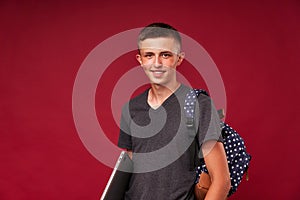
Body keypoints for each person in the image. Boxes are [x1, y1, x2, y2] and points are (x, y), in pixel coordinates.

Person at [118, 22, 231, 200]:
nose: (157, 63)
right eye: (149, 55)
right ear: (140, 60)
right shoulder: (131, 108)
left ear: (179, 58)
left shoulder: (199, 104)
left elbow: (222, 180)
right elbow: (129, 171)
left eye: (165, 55)